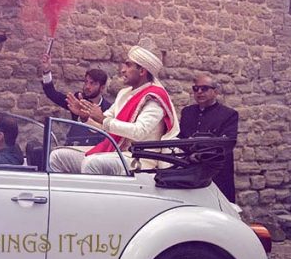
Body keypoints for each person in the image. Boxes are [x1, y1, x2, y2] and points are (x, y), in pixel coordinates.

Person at [50, 44, 179, 174]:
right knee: (58, 157)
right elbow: (105, 125)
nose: (123, 70)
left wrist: (103, 119)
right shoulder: (124, 93)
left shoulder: (154, 98)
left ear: (142, 71)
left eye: (128, 65)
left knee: (92, 163)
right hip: (116, 151)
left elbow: (139, 132)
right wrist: (85, 117)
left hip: (139, 159)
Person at [179, 74, 240, 202]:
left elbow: (226, 143)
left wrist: (197, 148)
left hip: (216, 173)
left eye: (204, 88)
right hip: (190, 170)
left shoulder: (228, 114)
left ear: (215, 91)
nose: (199, 92)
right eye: (196, 89)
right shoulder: (187, 112)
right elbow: (181, 138)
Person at [40, 56, 111, 144]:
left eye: (92, 83)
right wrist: (46, 71)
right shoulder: (77, 100)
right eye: (86, 82)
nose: (87, 86)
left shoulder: (108, 109)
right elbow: (51, 93)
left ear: (102, 88)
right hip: (72, 145)